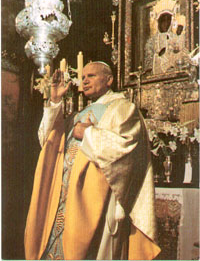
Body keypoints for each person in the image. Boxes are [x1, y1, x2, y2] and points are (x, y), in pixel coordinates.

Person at [24, 61, 160, 260]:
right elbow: (47, 141)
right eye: (83, 77)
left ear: (109, 80)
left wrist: (89, 133)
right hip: (66, 200)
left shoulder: (122, 108)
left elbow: (126, 147)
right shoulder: (79, 113)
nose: (85, 81)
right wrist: (54, 102)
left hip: (100, 201)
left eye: (92, 76)